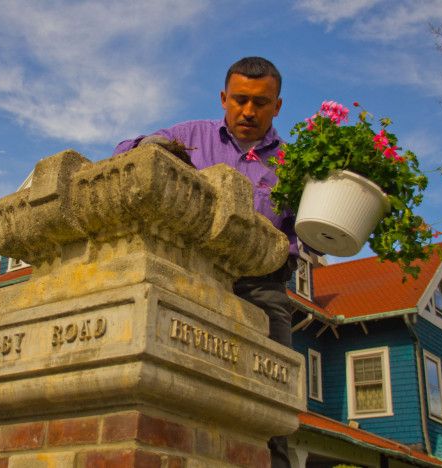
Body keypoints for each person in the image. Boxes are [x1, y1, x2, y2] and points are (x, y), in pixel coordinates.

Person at [113, 56, 296, 468]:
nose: (248, 111)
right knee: (182, 385)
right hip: (193, 274)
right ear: (223, 98)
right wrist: (153, 149)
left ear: (278, 106)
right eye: (240, 100)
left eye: (261, 103)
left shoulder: (294, 164)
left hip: (263, 285)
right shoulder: (190, 136)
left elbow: (311, 234)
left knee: (273, 406)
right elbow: (125, 150)